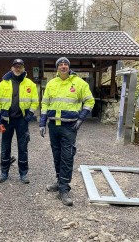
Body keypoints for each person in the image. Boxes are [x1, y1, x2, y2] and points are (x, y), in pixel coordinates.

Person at [39, 57, 95, 206]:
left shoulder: (79, 83)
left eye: (65, 64)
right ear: (57, 68)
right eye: (60, 64)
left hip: (69, 127)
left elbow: (90, 101)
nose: (63, 66)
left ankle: (64, 189)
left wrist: (81, 118)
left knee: (67, 157)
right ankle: (59, 182)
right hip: (53, 126)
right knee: (57, 156)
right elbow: (45, 103)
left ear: (69, 67)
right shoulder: (51, 84)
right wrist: (42, 123)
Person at [0, 59, 39, 184]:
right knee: (5, 147)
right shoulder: (3, 84)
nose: (17, 69)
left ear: (23, 68)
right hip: (6, 120)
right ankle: (4, 172)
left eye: (20, 66)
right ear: (11, 68)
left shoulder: (30, 84)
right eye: (15, 66)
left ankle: (23, 174)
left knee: (23, 147)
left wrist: (29, 116)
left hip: (22, 120)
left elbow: (35, 101)